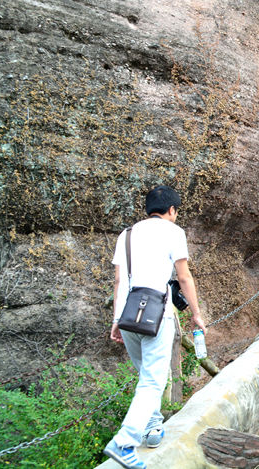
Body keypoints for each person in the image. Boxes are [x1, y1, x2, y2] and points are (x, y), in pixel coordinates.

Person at [104, 186, 205, 469]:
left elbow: (118, 281)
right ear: (171, 210)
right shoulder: (174, 233)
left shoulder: (127, 234)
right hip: (156, 312)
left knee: (146, 375)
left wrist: (115, 320)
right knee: (153, 378)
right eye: (177, 211)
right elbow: (183, 278)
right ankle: (124, 443)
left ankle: (151, 429)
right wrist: (196, 314)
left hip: (127, 314)